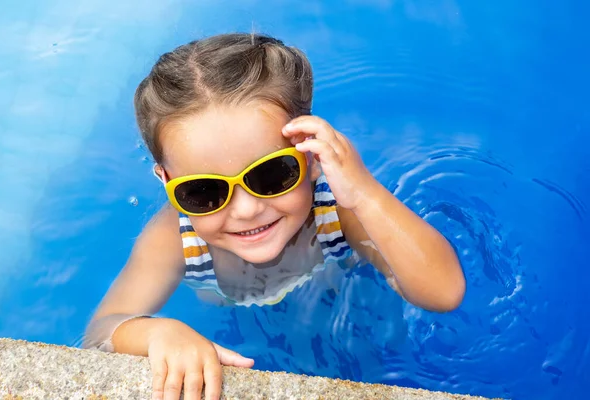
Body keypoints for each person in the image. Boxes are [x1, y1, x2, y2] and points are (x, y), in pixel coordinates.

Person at [83, 32, 465, 400]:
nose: (247, 209)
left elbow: (444, 294)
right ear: (166, 182)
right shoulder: (173, 238)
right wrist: (158, 334)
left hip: (335, 306)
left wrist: (364, 193)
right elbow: (100, 332)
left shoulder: (337, 211)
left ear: (312, 156)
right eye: (203, 192)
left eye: (272, 174)